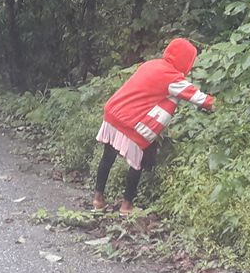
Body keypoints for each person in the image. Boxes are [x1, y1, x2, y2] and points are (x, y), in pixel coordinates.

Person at [92, 37, 216, 216]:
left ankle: (98, 200)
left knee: (107, 157)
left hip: (114, 111)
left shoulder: (151, 64)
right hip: (131, 122)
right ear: (186, 61)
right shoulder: (173, 78)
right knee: (136, 163)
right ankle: (126, 206)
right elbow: (199, 98)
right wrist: (219, 105)